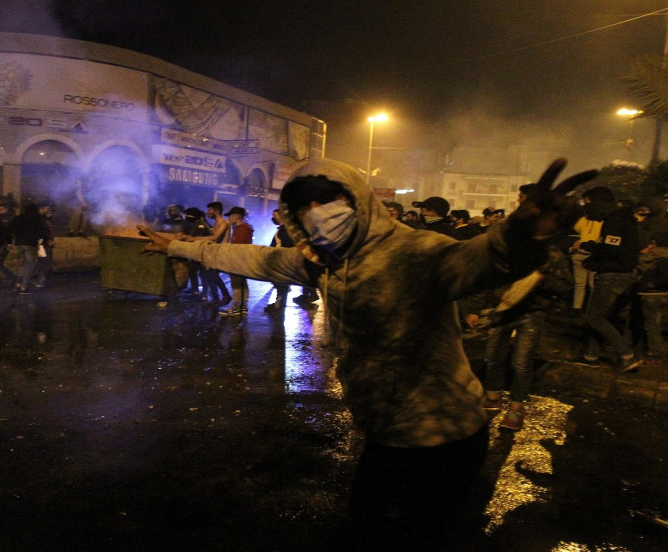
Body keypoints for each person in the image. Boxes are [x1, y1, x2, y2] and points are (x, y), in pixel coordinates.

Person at [137, 157, 594, 550]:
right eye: (305, 206)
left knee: (417, 536)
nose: (318, 214)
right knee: (375, 531)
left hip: (444, 435)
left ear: (360, 201)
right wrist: (179, 246)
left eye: (328, 200)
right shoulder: (327, 262)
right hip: (388, 430)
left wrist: (522, 235)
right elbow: (256, 260)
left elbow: (482, 260)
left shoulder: (418, 251)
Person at [477, 237, 574, 431]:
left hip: (531, 312)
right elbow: (486, 279)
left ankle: (516, 408)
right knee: (492, 357)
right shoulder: (504, 250)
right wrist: (475, 307)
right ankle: (493, 396)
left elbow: (566, 287)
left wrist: (542, 279)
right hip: (501, 310)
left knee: (521, 362)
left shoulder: (551, 255)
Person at [571, 186, 643, 372]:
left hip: (613, 276)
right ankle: (591, 355)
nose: (586, 208)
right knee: (601, 317)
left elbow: (611, 250)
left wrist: (585, 246)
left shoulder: (615, 220)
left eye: (588, 203)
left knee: (593, 317)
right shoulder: (623, 218)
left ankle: (626, 356)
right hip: (623, 274)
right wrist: (593, 263)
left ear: (600, 203)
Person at [635, 230, 668, 366]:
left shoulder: (652, 255)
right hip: (664, 294)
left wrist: (651, 283)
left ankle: (656, 355)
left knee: (652, 326)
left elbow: (639, 263)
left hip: (652, 295)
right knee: (656, 324)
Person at [6, 202, 48, 294]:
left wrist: (10, 241)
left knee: (24, 264)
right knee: (30, 265)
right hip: (30, 244)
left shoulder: (18, 218)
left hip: (19, 244)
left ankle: (17, 284)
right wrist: (43, 239)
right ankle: (24, 287)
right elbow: (43, 230)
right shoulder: (37, 218)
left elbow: (9, 229)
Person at [218, 206, 253, 316]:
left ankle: (236, 307)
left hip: (238, 260)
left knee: (236, 284)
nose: (228, 219)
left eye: (230, 216)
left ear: (236, 217)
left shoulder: (242, 229)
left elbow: (236, 247)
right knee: (242, 283)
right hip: (243, 260)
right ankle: (243, 307)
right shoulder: (242, 228)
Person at [33, 201, 55, 288]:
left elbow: (50, 231)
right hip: (43, 244)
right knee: (43, 262)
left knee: (45, 262)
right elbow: (43, 232)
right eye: (47, 209)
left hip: (47, 243)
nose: (48, 211)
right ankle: (40, 281)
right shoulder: (40, 220)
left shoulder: (47, 220)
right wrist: (47, 240)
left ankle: (40, 280)